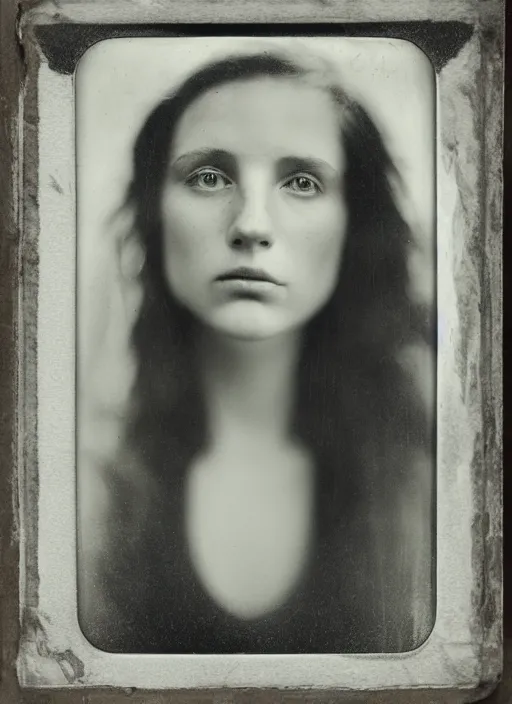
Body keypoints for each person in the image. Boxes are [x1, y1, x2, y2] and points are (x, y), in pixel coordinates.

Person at [78, 48, 435, 655]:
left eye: (302, 181)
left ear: (354, 223)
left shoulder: (431, 490)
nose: (251, 223)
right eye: (209, 176)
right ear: (154, 212)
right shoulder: (80, 486)